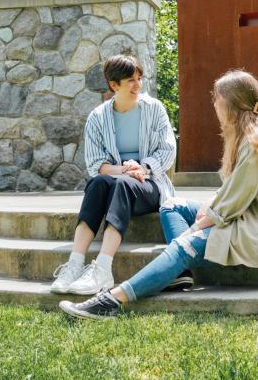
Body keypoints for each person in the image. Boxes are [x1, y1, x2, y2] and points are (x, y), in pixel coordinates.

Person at [59, 69, 258, 319]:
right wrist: (211, 203)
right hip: (250, 217)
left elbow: (232, 204)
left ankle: (111, 300)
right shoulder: (252, 134)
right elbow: (235, 190)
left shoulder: (257, 142)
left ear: (232, 103)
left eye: (217, 98)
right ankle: (178, 273)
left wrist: (193, 230)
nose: (214, 103)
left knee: (184, 245)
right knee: (172, 205)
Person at [50, 54, 177, 295]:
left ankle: (103, 269)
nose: (137, 85)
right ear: (113, 85)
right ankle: (75, 265)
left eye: (139, 78)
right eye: (130, 80)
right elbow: (95, 164)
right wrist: (124, 169)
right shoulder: (97, 117)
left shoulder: (155, 109)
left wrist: (142, 168)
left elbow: (168, 150)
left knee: (123, 185)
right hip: (116, 181)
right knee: (97, 183)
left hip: (150, 183)